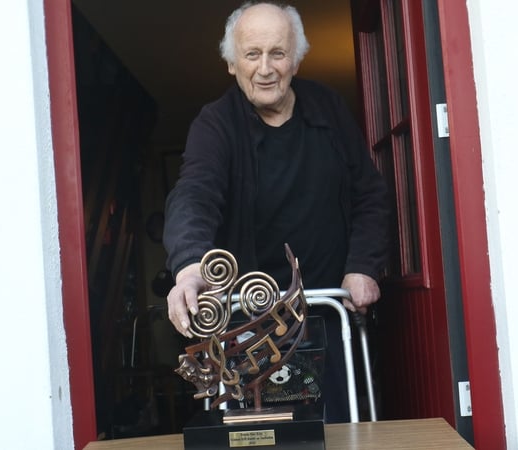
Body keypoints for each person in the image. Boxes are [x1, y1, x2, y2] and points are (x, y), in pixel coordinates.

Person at [163, 1, 388, 423]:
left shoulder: (330, 110)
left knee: (341, 432)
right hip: (250, 323)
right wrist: (190, 267)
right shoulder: (215, 125)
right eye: (252, 54)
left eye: (277, 53)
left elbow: (369, 196)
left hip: (328, 314)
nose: (265, 68)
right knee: (259, 436)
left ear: (296, 60)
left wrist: (363, 266)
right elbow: (194, 195)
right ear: (232, 64)